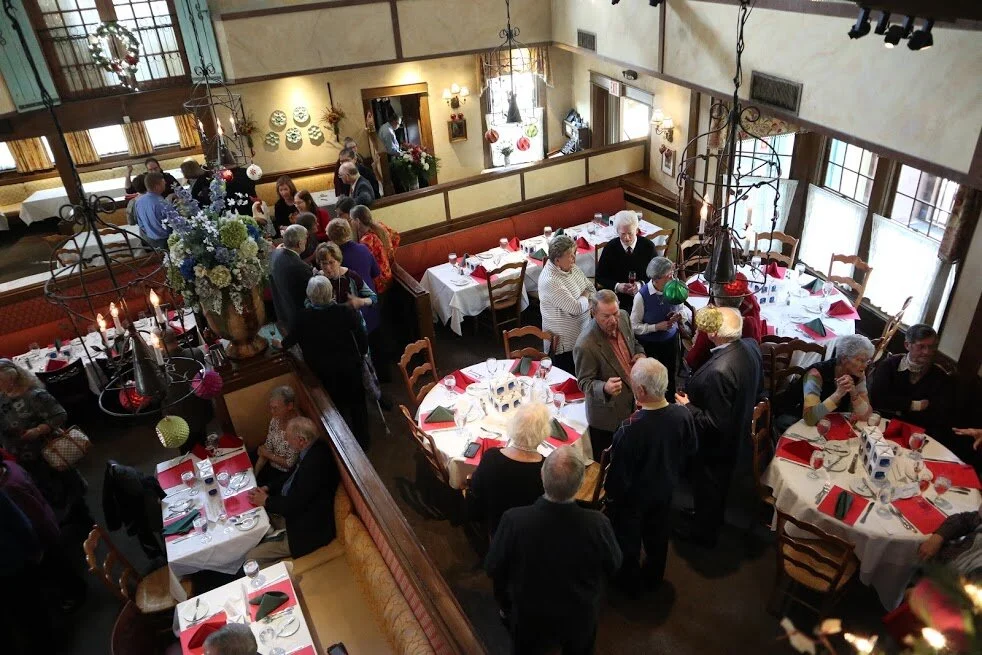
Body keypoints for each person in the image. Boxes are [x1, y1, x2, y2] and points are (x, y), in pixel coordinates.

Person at [486, 447, 622, 655]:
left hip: (530, 615)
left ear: (542, 476)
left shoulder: (514, 520)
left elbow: (493, 566)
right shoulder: (598, 524)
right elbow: (614, 564)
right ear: (580, 484)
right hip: (579, 616)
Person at [605, 358, 697, 595]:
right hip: (666, 490)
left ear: (640, 391)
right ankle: (654, 577)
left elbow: (617, 478)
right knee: (658, 536)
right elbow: (691, 449)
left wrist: (612, 500)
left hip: (634, 500)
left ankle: (628, 584)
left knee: (629, 542)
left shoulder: (629, 428)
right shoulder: (683, 414)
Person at [675, 306, 763, 547]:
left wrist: (687, 406)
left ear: (714, 333)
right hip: (738, 432)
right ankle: (705, 516)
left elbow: (713, 423)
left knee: (709, 488)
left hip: (715, 447)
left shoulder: (719, 371)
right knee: (716, 490)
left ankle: (703, 535)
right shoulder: (750, 346)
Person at [275, 277, 371, 450]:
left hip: (322, 371)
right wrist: (363, 353)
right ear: (331, 293)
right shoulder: (345, 311)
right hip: (349, 366)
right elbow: (361, 337)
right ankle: (364, 442)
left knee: (334, 408)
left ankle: (343, 445)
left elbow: (289, 341)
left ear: (310, 296)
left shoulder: (303, 317)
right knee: (358, 404)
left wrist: (279, 344)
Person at [0, 359, 89, 526]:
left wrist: (38, 430)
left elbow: (60, 415)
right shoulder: (2, 397)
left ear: (11, 378)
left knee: (66, 483)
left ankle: (81, 515)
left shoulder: (34, 395)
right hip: (22, 455)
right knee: (44, 486)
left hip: (48, 450)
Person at [245, 416, 340, 564]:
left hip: (306, 531)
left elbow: (294, 504)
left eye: (288, 438)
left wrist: (266, 501)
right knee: (251, 520)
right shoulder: (312, 448)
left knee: (251, 557)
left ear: (301, 440)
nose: (287, 441)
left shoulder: (315, 465)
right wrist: (268, 487)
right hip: (293, 514)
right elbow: (291, 475)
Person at [573, 289, 646, 455]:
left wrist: (640, 354)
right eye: (606, 316)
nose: (613, 320)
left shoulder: (624, 317)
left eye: (615, 313)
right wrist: (604, 387)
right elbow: (583, 382)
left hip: (632, 403)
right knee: (609, 460)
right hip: (607, 417)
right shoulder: (585, 345)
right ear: (594, 313)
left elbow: (634, 343)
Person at [468, 402, 548, 536]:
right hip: (530, 531)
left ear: (513, 426)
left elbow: (476, 489)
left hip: (496, 525)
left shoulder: (491, 457)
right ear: (544, 432)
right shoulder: (546, 468)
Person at [327, 218, 387, 384]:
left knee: (361, 349)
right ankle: (385, 376)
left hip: (353, 309)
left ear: (331, 237)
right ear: (348, 232)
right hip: (370, 302)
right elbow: (376, 272)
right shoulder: (363, 248)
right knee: (377, 343)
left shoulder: (336, 260)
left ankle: (370, 383)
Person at [868, 324, 953, 438]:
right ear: (907, 345)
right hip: (882, 423)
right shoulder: (889, 365)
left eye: (931, 347)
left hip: (917, 433)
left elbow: (937, 413)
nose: (927, 352)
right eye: (921, 346)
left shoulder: (939, 376)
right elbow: (878, 399)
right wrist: (915, 405)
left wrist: (897, 404)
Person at [538, 235, 595, 375]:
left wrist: (585, 297)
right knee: (570, 378)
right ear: (557, 260)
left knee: (585, 374)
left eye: (574, 253)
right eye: (570, 255)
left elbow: (591, 288)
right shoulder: (550, 280)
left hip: (584, 335)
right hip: (565, 346)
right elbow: (576, 308)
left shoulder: (571, 268)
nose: (574, 259)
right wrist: (586, 296)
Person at [630, 256, 686, 400]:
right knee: (651, 380)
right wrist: (656, 327)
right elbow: (634, 326)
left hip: (670, 341)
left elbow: (682, 309)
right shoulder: (641, 296)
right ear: (656, 279)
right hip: (649, 345)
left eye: (672, 274)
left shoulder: (674, 288)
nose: (673, 278)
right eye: (668, 276)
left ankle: (670, 404)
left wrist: (680, 316)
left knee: (670, 376)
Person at [684, 273, 762, 372]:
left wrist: (695, 342)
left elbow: (693, 360)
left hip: (715, 374)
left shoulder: (710, 328)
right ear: (742, 299)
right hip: (745, 372)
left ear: (716, 300)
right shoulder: (751, 323)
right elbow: (756, 346)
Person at [801, 334, 875, 426]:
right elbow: (809, 418)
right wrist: (838, 394)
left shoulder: (858, 375)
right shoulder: (815, 374)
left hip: (829, 422)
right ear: (844, 358)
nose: (865, 365)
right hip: (796, 420)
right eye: (861, 360)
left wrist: (854, 394)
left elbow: (866, 416)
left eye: (867, 361)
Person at [595, 210, 656, 312]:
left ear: (637, 230)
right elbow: (600, 277)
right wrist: (618, 286)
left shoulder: (648, 246)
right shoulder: (610, 248)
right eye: (623, 234)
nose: (627, 238)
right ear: (617, 231)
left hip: (644, 295)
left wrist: (640, 284)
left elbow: (656, 275)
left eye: (630, 233)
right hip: (617, 299)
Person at [255, 386, 301, 495]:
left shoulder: (298, 427)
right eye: (271, 408)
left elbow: (290, 464)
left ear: (289, 406)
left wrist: (268, 455)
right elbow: (267, 449)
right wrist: (254, 474)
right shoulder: (275, 421)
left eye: (275, 408)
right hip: (270, 466)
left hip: (285, 475)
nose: (272, 412)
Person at [269, 224, 312, 331]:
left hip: (283, 313)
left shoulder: (275, 254)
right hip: (299, 320)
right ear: (299, 243)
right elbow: (310, 296)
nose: (306, 241)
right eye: (305, 239)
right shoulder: (300, 267)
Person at [918, 510, 982, 578]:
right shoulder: (979, 519)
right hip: (942, 565)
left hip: (946, 577)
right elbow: (963, 520)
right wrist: (939, 536)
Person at [350, 204, 399, 294]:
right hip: (388, 275)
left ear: (357, 221)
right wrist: (389, 257)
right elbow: (396, 237)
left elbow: (365, 266)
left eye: (351, 220)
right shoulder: (380, 226)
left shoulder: (366, 241)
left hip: (379, 282)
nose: (350, 223)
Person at [133, 171, 171, 249]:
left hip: (150, 240)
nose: (165, 183)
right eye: (163, 182)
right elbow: (170, 223)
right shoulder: (161, 203)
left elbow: (140, 223)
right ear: (157, 186)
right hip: (165, 240)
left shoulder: (139, 201)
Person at [378, 112, 406, 193]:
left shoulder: (385, 127)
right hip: (389, 158)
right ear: (394, 121)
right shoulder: (388, 131)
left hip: (390, 156)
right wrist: (402, 154)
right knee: (397, 180)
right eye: (398, 124)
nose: (398, 126)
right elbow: (390, 150)